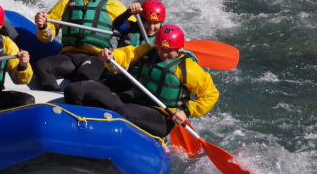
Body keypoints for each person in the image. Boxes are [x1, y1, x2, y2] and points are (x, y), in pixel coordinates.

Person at [63, 24, 219, 138]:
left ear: (178, 49)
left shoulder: (188, 68)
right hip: (137, 101)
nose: (163, 53)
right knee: (86, 95)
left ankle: (103, 139)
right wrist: (113, 56)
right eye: (161, 48)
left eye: (168, 50)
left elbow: (210, 94)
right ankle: (77, 133)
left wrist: (186, 112)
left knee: (124, 112)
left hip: (162, 116)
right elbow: (128, 53)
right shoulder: (148, 51)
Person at [33, 0, 130, 91]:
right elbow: (47, 37)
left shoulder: (114, 6)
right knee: (42, 66)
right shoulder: (67, 1)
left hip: (96, 58)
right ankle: (52, 99)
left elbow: (133, 32)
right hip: (69, 56)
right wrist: (42, 26)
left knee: (81, 79)